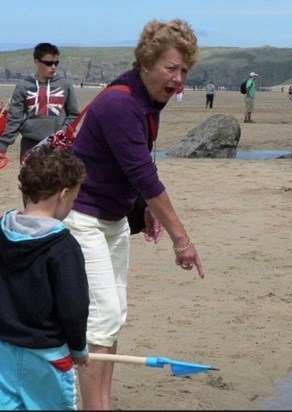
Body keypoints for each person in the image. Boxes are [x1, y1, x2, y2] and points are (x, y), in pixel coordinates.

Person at [63, 18, 205, 410]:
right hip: (82, 217)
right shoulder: (121, 103)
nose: (178, 78)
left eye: (184, 71)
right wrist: (183, 241)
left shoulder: (147, 101)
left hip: (111, 219)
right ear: (146, 63)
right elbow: (144, 173)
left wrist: (142, 209)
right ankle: (95, 406)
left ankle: (102, 401)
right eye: (171, 68)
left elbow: (129, 167)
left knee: (115, 314)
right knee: (102, 314)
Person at [0, 144, 89, 410]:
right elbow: (74, 308)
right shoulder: (63, 247)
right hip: (47, 356)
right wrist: (79, 347)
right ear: (63, 195)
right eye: (73, 199)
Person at [0, 43, 80, 163]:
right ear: (36, 62)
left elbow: (73, 114)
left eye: (56, 63)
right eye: (48, 63)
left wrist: (63, 130)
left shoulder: (65, 85)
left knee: (57, 181)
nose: (53, 67)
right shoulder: (23, 86)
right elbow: (14, 119)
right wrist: (3, 145)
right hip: (29, 144)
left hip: (58, 145)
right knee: (30, 181)